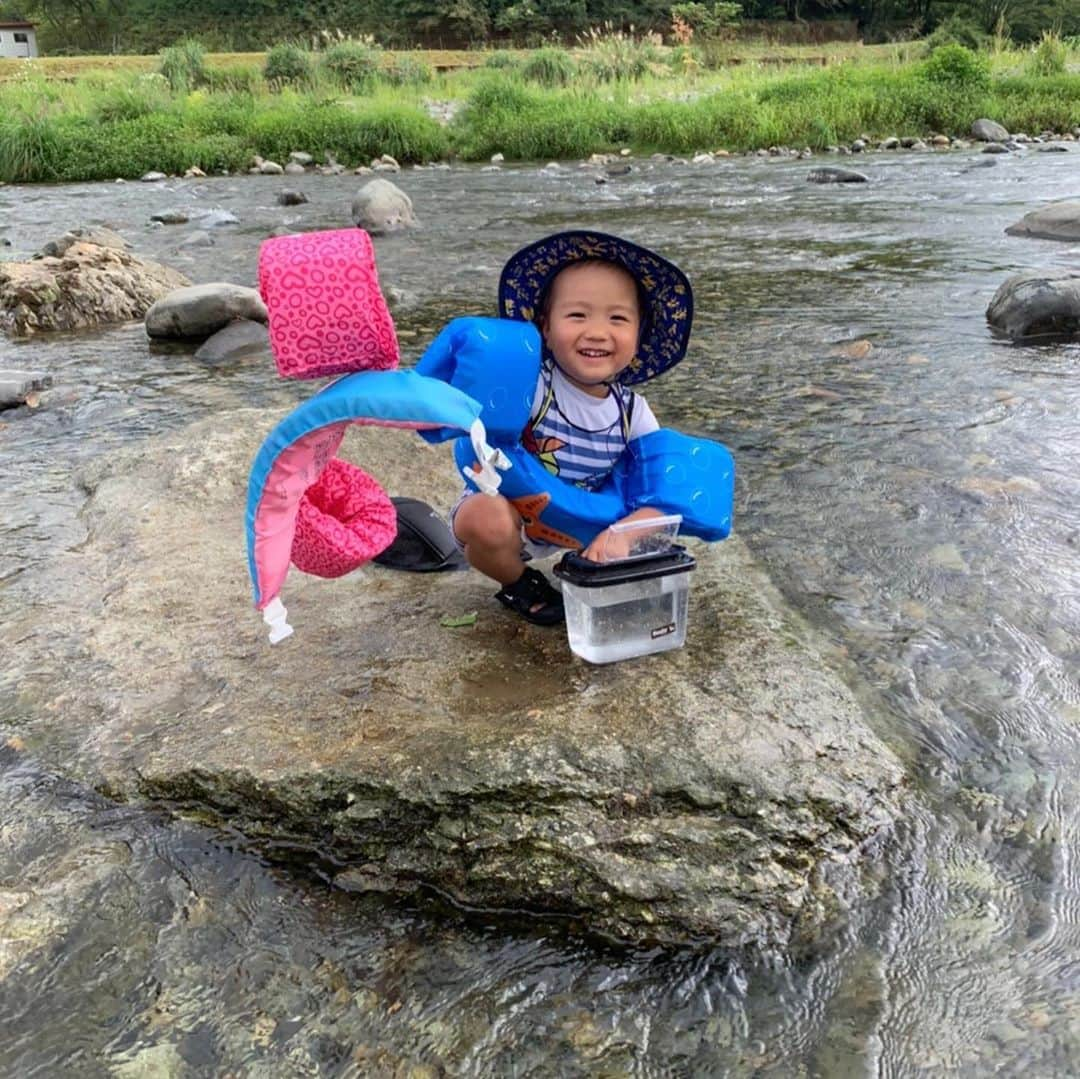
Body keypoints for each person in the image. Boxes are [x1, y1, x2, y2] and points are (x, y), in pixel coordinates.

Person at [451, 230, 694, 626]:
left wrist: (625, 534)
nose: (597, 332)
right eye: (577, 315)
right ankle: (518, 581)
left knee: (648, 532)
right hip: (516, 517)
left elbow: (661, 488)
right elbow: (471, 420)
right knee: (484, 518)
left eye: (617, 318)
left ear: (639, 334)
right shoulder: (532, 387)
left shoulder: (632, 412)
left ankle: (587, 562)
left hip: (582, 523)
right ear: (545, 327)